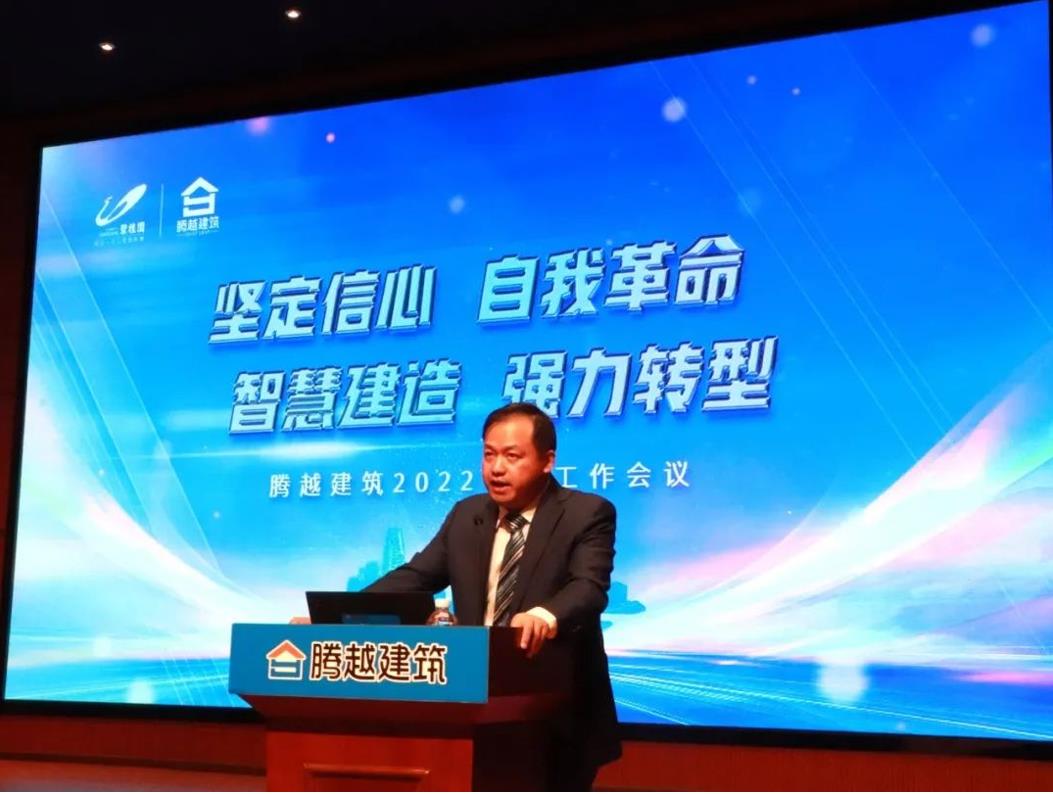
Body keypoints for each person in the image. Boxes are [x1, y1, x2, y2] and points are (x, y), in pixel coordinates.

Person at [365, 402, 621, 790]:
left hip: (555, 716)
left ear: (547, 461)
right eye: (489, 455)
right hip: (472, 709)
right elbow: (416, 577)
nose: (496, 468)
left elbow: (588, 587)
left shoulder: (586, 513)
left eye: (512, 456)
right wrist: (336, 614)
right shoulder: (467, 515)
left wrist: (545, 616)